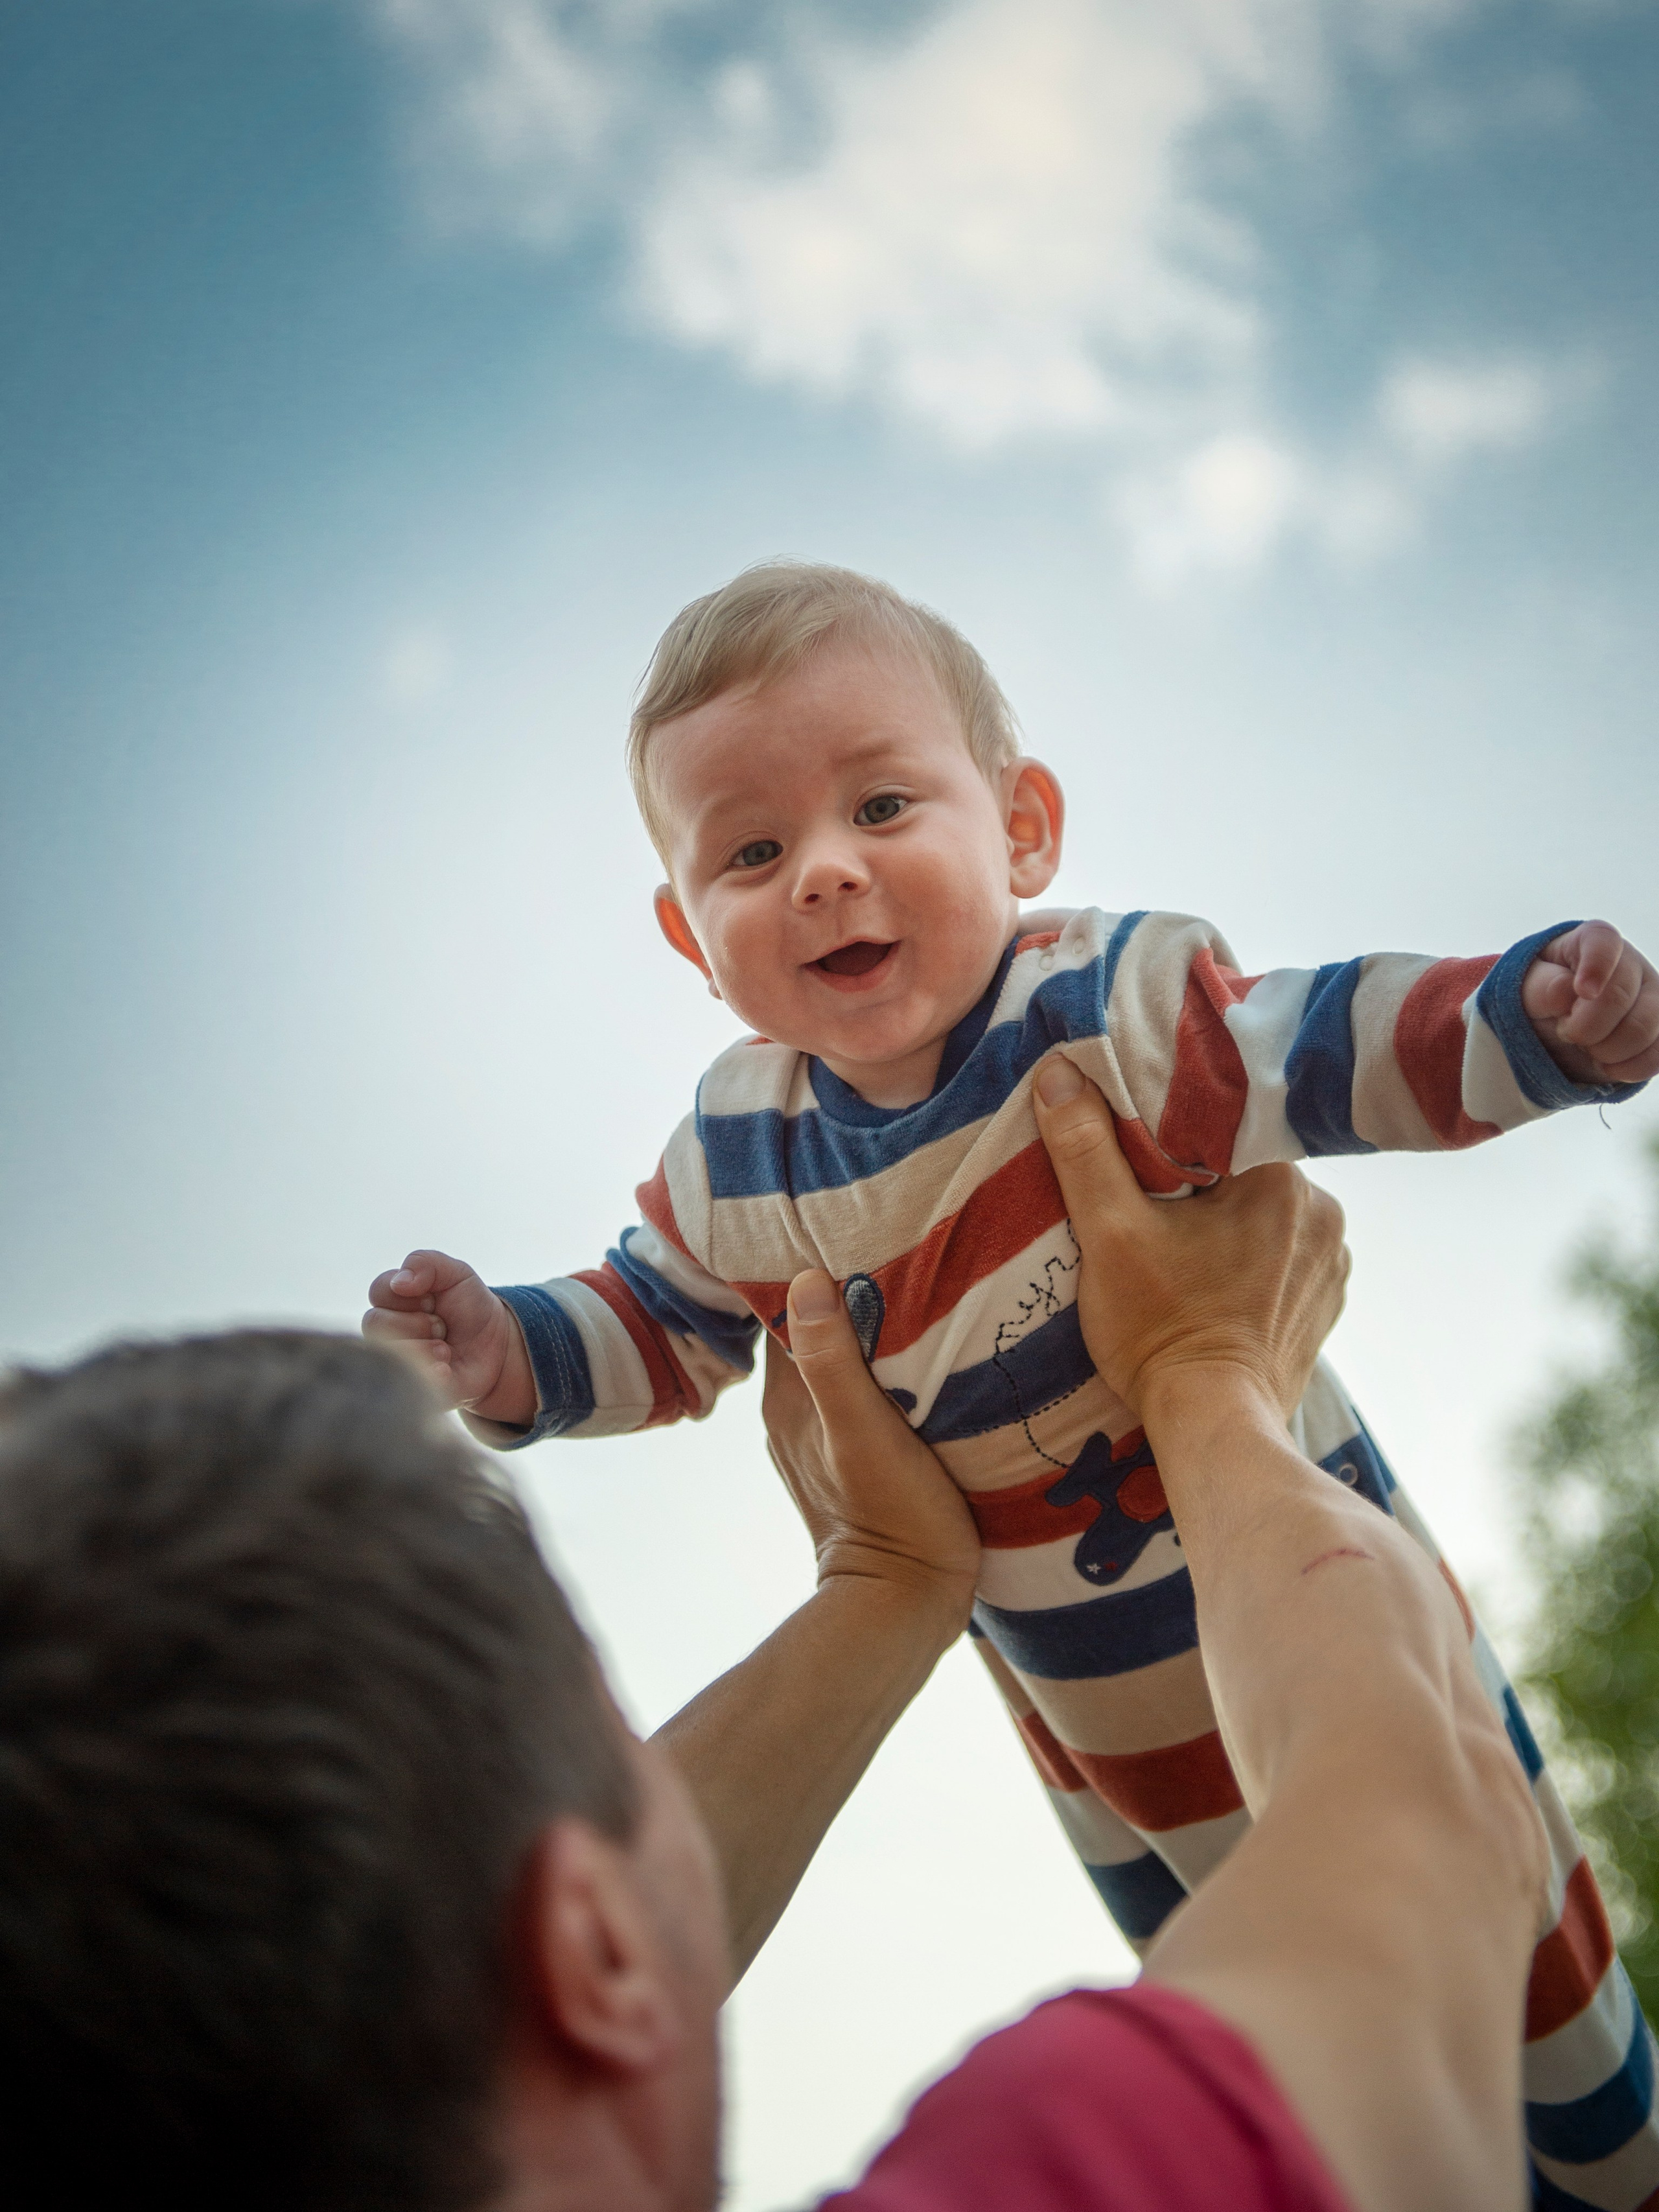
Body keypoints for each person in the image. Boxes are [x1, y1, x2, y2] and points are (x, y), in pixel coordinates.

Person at [365, 561, 1658, 2198]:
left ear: (1021, 827)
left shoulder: (1094, 1010)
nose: (825, 873)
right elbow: (654, 1324)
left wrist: (1531, 1020)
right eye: (753, 854)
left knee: (1527, 2001)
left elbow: (1316, 1046)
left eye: (882, 804)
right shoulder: (736, 1155)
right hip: (1086, 1719)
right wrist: (503, 1351)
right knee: (1238, 2015)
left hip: (1308, 1583)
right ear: (692, 934)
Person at [2, 1071, 1544, 2211]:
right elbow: (1437, 1819)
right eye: (624, 1764)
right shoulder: (1062, 2175)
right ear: (594, 1947)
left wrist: (879, 1584)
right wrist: (1207, 1373)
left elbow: (534, 1925)